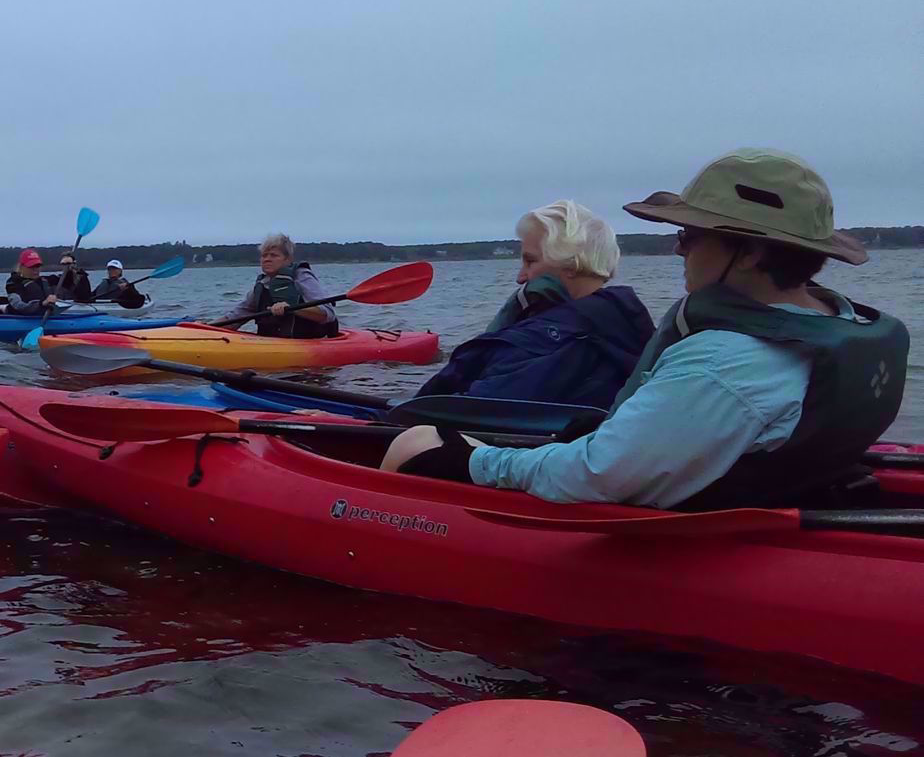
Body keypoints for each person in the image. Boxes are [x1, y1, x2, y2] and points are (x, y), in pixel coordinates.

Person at [383, 149, 909, 511]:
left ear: (749, 252)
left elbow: (599, 476)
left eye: (690, 236)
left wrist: (473, 459)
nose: (677, 248)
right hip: (776, 488)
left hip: (694, 524)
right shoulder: (832, 318)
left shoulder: (725, 360)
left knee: (421, 441)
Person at [414, 201, 654, 409]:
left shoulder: (549, 343)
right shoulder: (629, 326)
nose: (520, 277)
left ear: (571, 265)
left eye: (530, 261)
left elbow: (476, 409)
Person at [213, 234, 338, 338]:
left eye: (273, 255)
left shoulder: (301, 276)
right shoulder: (261, 285)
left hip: (306, 342)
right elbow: (235, 318)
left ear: (287, 259)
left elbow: (327, 314)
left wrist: (293, 308)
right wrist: (206, 326)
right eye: (264, 255)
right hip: (273, 344)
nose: (267, 259)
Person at [4, 249, 60, 316]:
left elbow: (69, 280)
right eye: (31, 266)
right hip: (21, 318)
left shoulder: (45, 280)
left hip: (44, 316)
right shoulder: (13, 284)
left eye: (37, 266)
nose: (35, 270)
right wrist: (42, 304)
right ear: (21, 267)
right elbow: (19, 306)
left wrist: (69, 265)